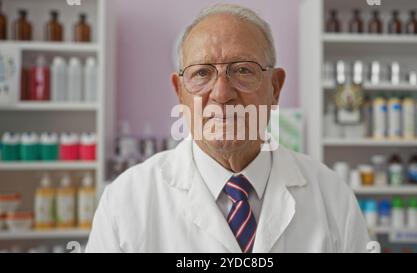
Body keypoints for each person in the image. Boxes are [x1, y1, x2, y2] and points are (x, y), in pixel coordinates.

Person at [86, 3, 370, 253]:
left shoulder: (332, 196)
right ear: (179, 92)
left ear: (275, 87)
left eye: (243, 70)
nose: (222, 93)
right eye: (202, 73)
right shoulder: (125, 202)